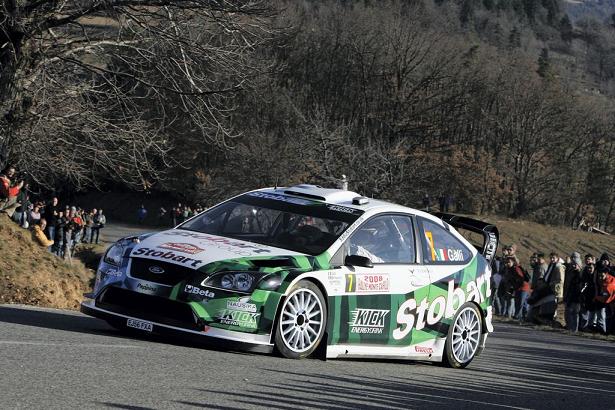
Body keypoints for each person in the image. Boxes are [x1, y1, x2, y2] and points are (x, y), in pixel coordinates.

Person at [563, 253, 583, 332]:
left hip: (577, 297)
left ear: (579, 265)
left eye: (576, 264)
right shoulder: (572, 273)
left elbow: (580, 287)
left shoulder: (581, 274)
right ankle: (570, 328)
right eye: (573, 264)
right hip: (570, 296)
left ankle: (574, 329)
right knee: (569, 312)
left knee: (575, 313)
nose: (574, 266)